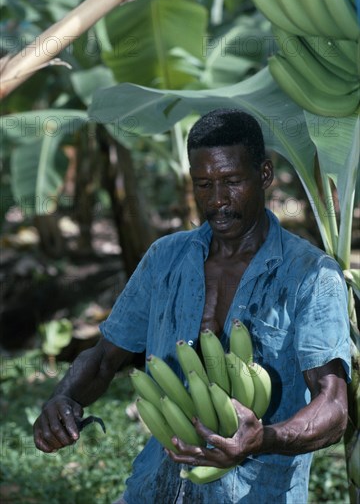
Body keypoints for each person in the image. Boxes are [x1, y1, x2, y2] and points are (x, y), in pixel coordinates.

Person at [33, 109, 351, 504]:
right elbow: (103, 359)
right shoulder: (164, 258)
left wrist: (263, 438)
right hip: (153, 489)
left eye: (232, 182)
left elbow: (334, 406)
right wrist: (63, 398)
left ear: (264, 176)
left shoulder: (310, 275)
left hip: (255, 494)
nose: (217, 200)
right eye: (203, 184)